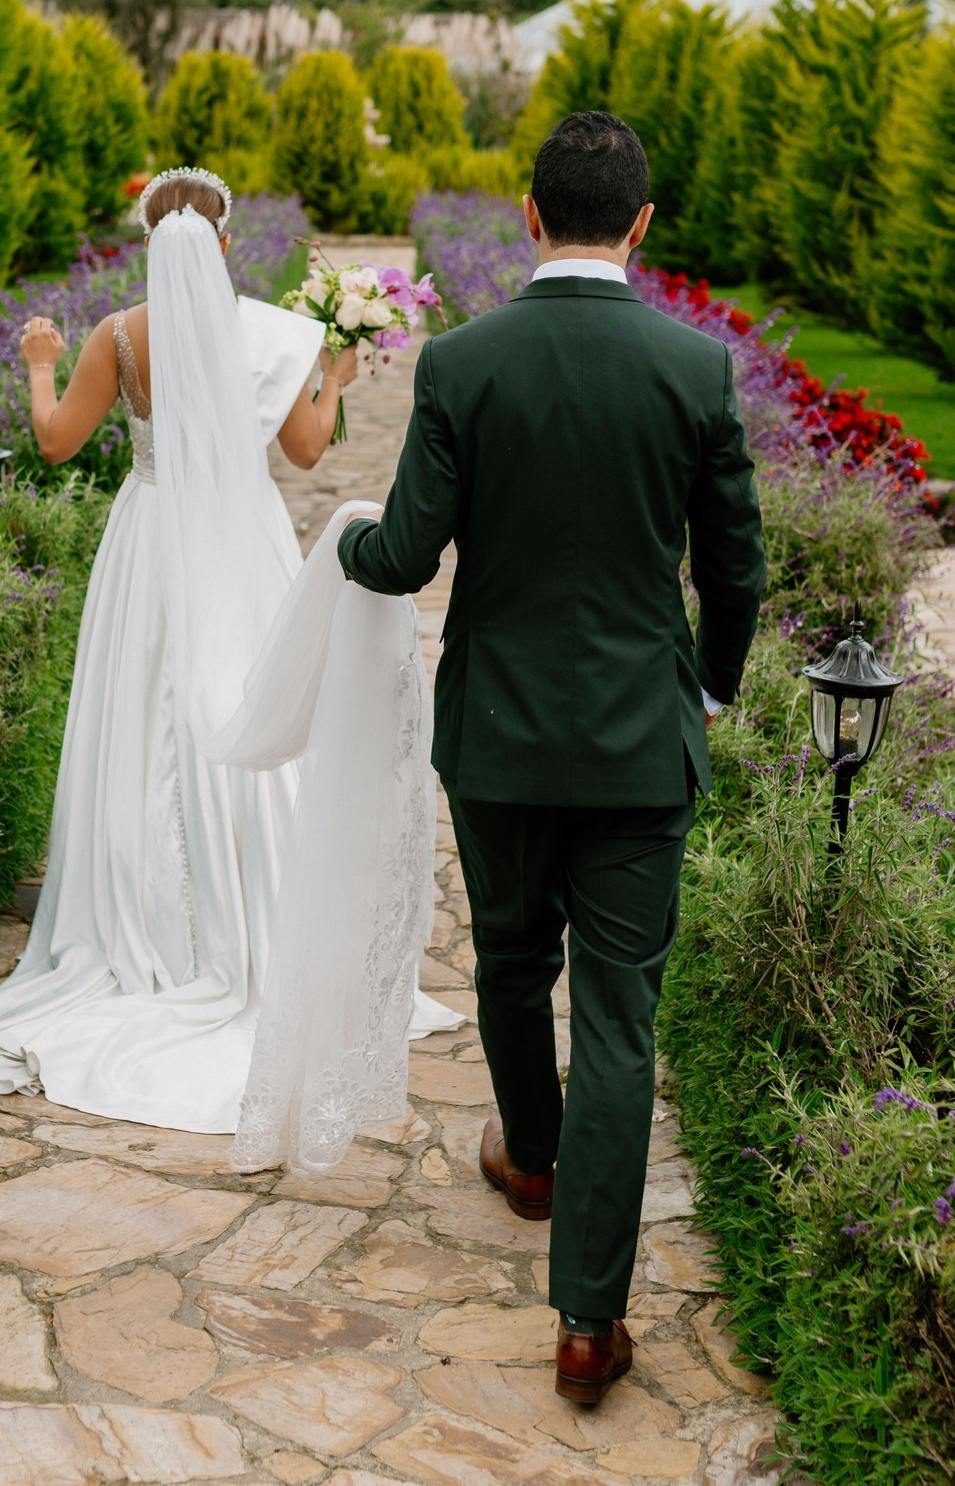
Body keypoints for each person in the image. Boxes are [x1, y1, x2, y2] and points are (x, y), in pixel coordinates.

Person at [336, 111, 766, 1405]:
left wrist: (342, 543)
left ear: (528, 217)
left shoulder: (464, 363)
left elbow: (405, 554)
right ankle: (588, 1322)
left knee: (513, 962)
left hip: (501, 736)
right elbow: (735, 564)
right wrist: (704, 686)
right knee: (621, 1018)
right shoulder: (695, 369)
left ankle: (529, 1160)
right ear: (642, 224)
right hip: (641, 744)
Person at [0, 169, 458, 1145]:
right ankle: (268, 908)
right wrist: (334, 378)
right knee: (249, 704)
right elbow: (313, 452)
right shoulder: (269, 333)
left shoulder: (117, 335)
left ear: (148, 242)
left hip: (150, 543)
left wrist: (35, 361)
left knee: (145, 713)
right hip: (242, 544)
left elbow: (57, 442)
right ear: (227, 241)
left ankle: (139, 922)